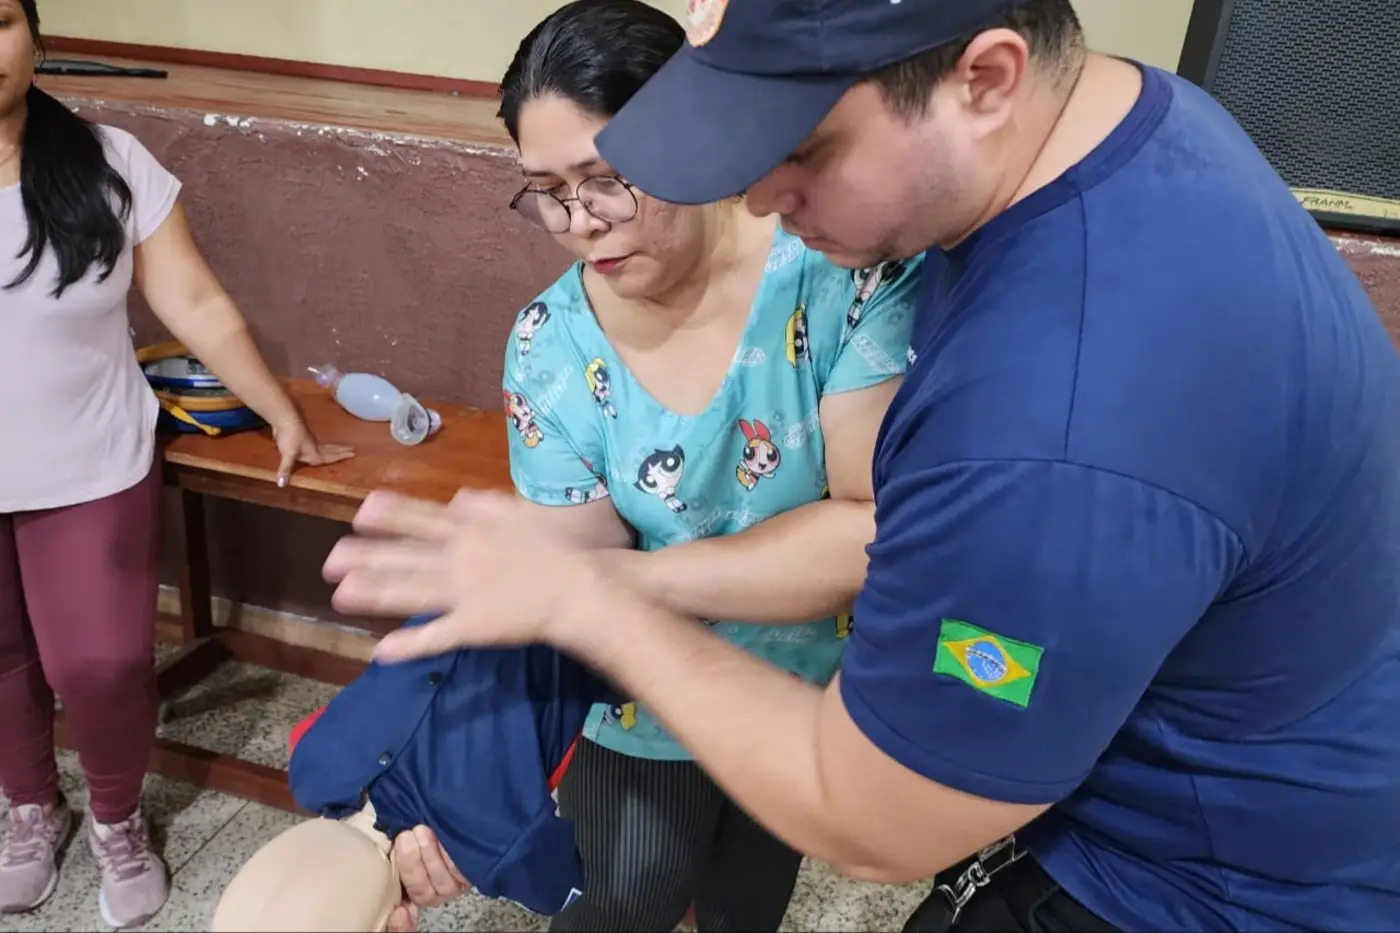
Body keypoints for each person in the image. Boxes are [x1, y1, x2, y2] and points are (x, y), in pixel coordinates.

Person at [324, 0, 1400, 930]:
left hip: (1207, 881)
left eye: (803, 146)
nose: (758, 197)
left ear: (986, 78)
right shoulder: (1138, 122)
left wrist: (596, 600)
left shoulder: (1051, 426)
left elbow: (876, 815)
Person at [373, 3, 919, 931]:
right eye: (548, 192)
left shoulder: (832, 274)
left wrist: (620, 584)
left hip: (802, 693)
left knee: (749, 903)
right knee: (624, 898)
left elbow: (869, 530)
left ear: (691, 137)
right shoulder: (549, 347)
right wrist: (449, 773)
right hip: (636, 709)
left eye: (606, 180)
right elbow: (572, 591)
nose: (581, 223)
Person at [0, 1, 351, 927]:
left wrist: (280, 411)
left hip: (88, 464)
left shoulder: (110, 163)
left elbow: (193, 298)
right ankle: (30, 808)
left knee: (103, 662)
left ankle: (117, 820)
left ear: (35, 35)